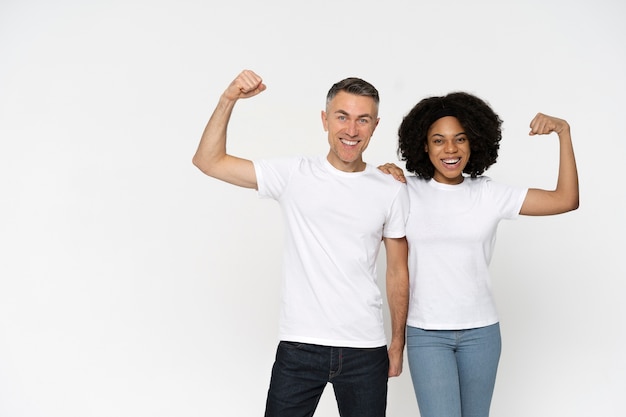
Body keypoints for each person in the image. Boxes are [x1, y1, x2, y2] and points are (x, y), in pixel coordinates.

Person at [192, 69, 410, 417]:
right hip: (300, 345)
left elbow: (398, 271)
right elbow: (208, 161)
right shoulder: (294, 174)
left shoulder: (391, 188)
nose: (351, 130)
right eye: (342, 117)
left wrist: (397, 342)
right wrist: (228, 99)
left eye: (362, 120)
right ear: (325, 120)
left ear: (375, 125)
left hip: (365, 348)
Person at [380, 92, 579, 417]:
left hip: (482, 334)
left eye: (460, 139)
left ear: (474, 142)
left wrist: (564, 132)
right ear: (424, 146)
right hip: (427, 333)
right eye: (438, 140)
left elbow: (566, 199)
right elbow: (352, 197)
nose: (450, 149)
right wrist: (378, 172)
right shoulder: (404, 190)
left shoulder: (489, 193)